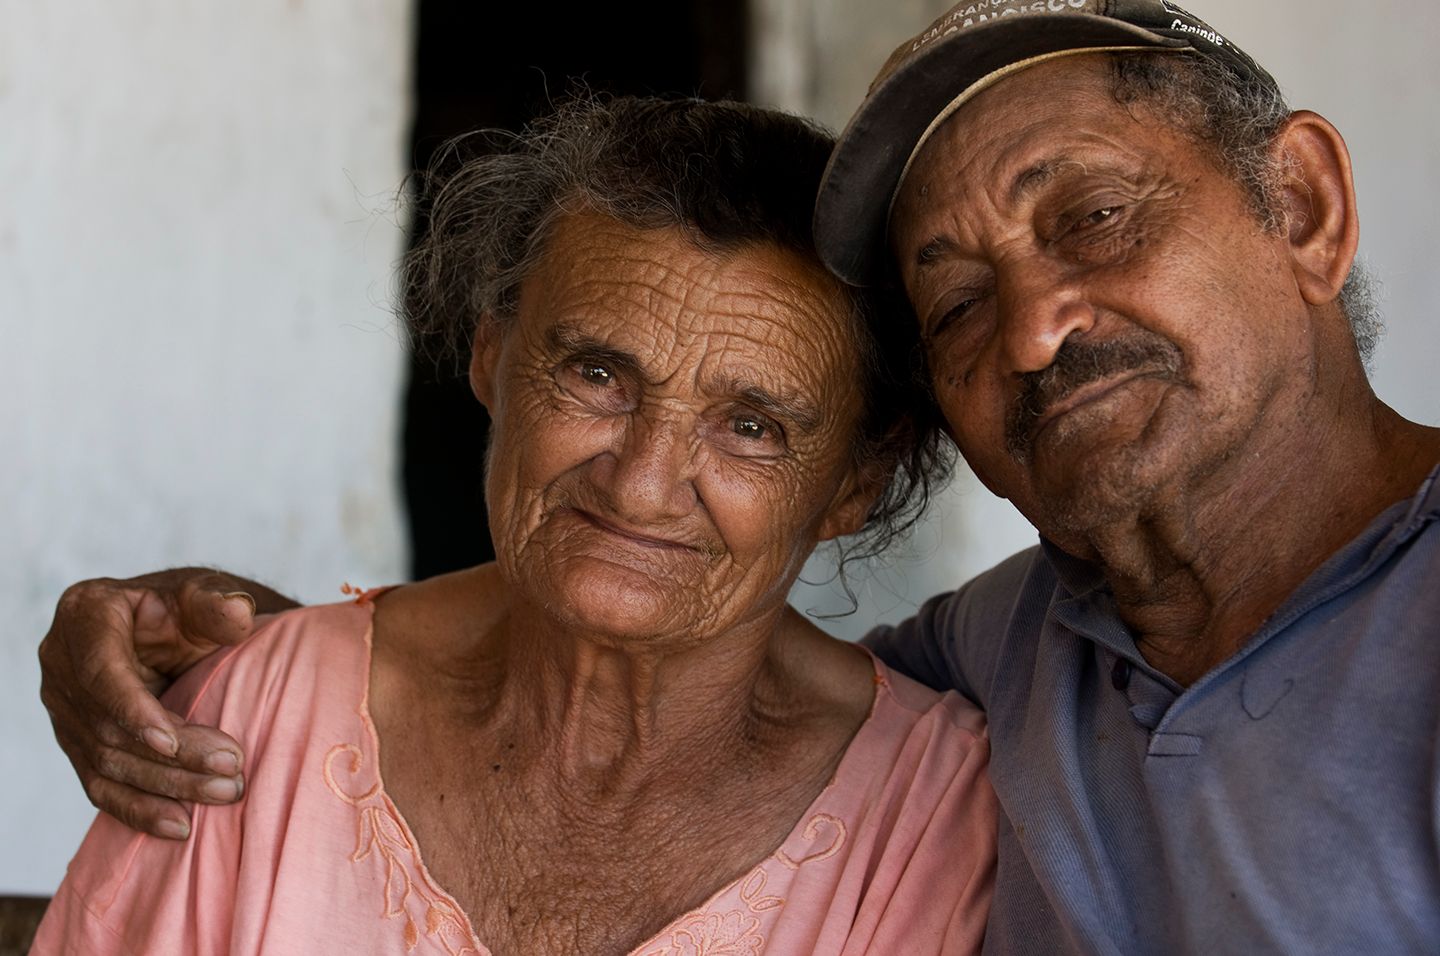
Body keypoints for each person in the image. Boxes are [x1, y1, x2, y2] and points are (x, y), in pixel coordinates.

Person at [38, 1, 1440, 952]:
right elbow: (672, 652)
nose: (1030, 330)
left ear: (1304, 207)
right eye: (955, 304)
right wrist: (271, 670)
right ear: (489, 363)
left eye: (1095, 218)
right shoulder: (1012, 656)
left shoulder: (950, 776)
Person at [31, 96, 997, 955]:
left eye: (751, 427)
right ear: (492, 355)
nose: (643, 484)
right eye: (597, 376)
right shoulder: (257, 720)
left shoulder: (935, 822)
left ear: (854, 482)